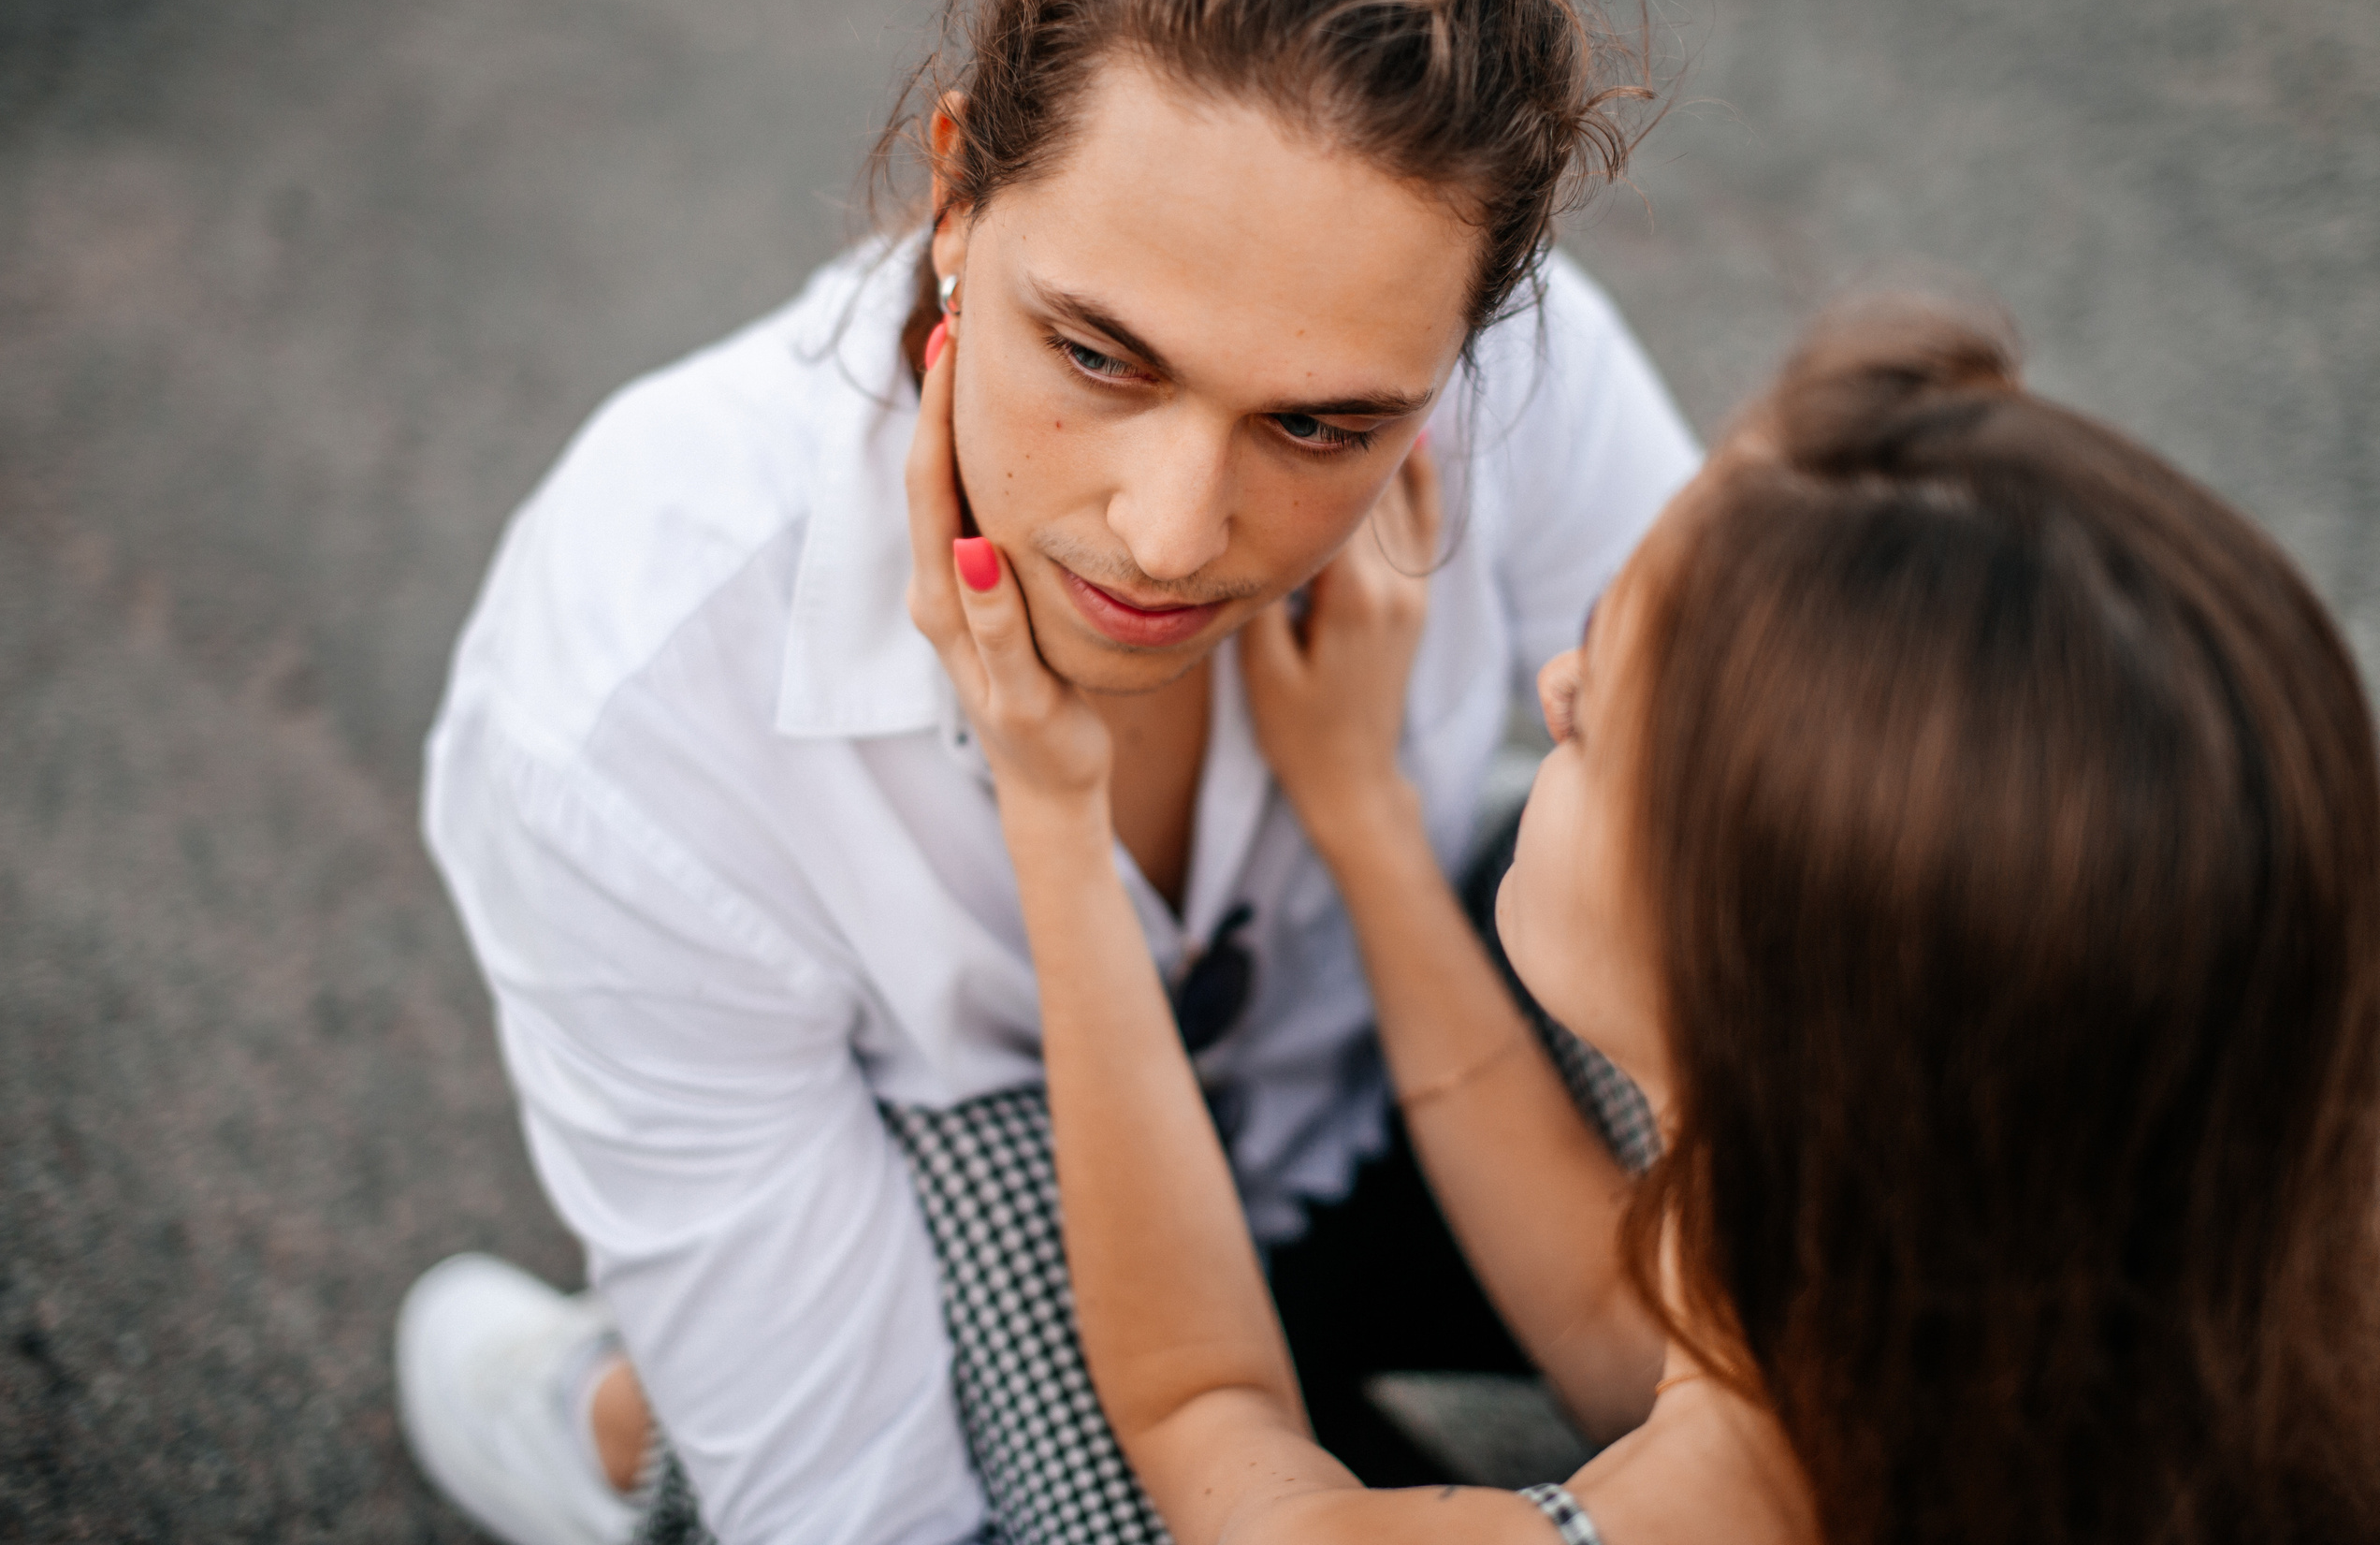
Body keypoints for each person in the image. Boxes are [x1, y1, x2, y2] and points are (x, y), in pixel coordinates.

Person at [395, 0, 1699, 1543]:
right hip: (1006, 1250)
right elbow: (866, 1515)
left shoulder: (1509, 370)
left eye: (1320, 427)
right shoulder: (626, 682)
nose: (1166, 536)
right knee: (936, 1218)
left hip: (1398, 1099)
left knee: (1678, 883)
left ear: (1469, 341)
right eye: (1098, 354)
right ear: (955, 197)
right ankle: (635, 1432)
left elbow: (1827, 887)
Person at [919, 299, 2380, 1545]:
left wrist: (1057, 812)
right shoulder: (2111, 1310)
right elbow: (1622, 1331)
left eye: (1596, 708)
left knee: (971, 1181)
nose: (1546, 693)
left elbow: (1203, 1415)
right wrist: (1359, 816)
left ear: (1738, 973)